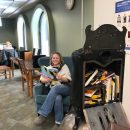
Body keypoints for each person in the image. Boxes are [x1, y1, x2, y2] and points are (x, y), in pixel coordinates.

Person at [34, 52, 72, 130]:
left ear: (60, 59)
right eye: (53, 58)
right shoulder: (48, 68)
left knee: (56, 88)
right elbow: (41, 80)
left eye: (56, 58)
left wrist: (61, 78)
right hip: (54, 89)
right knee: (58, 98)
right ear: (51, 59)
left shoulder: (64, 67)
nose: (55, 59)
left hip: (65, 87)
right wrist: (46, 80)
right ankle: (58, 123)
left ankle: (43, 114)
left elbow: (68, 79)